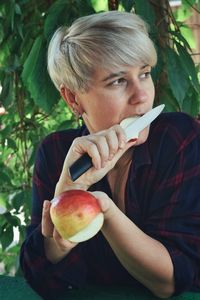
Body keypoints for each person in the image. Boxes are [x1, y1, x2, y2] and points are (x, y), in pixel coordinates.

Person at [20, 10, 200, 299]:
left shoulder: (179, 138)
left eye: (144, 73)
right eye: (118, 81)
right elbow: (42, 279)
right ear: (73, 99)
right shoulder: (55, 154)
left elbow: (171, 281)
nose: (142, 96)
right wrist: (69, 191)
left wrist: (104, 209)